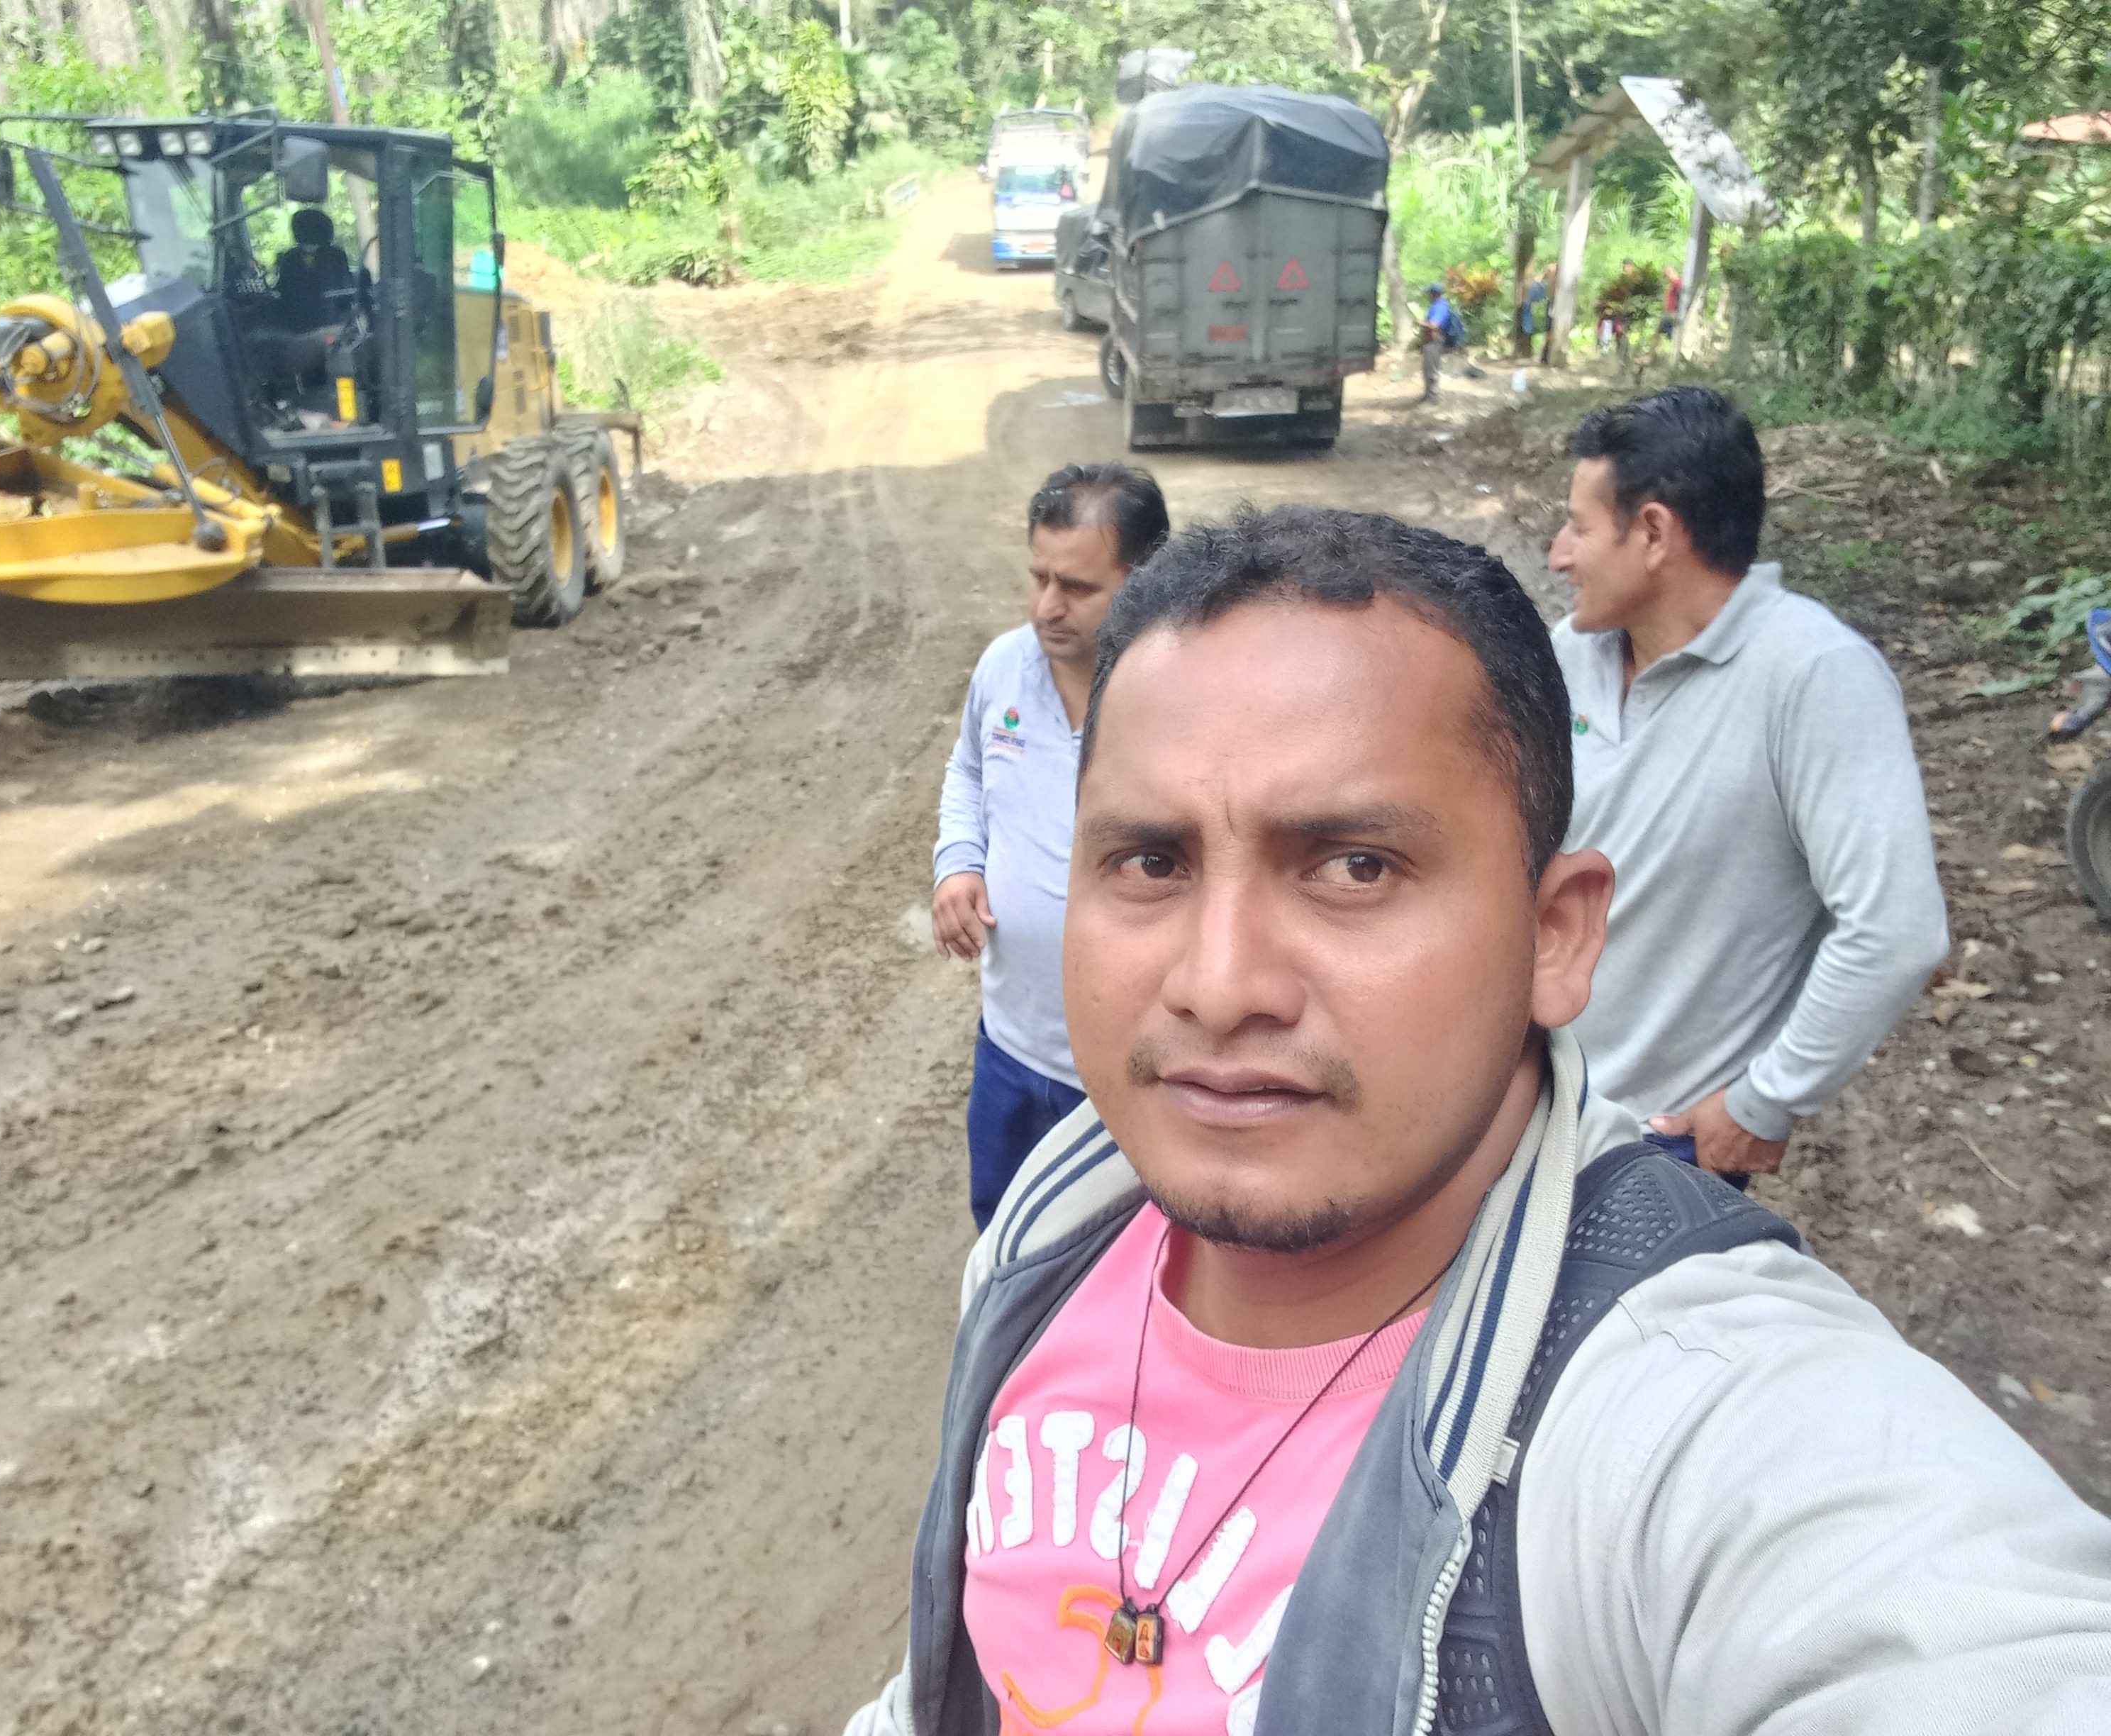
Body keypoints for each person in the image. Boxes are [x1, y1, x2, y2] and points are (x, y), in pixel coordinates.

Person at [848, 504, 2111, 1736]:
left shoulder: (1686, 1425)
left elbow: (1976, 1645)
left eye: (1354, 866)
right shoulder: (1054, 1231)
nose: (1219, 985)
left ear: (1554, 936)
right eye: (1150, 862)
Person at [1549, 386, 1949, 1181]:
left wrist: (1763, 1102)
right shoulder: (1571, 653)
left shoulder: (1813, 676)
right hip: (1514, 1109)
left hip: (1648, 1150)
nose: (1560, 555)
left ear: (1654, 533)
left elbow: (1896, 931)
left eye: (1580, 528)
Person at [933, 464, 1169, 1229]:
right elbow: (968, 769)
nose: (1046, 607)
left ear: (1144, 578)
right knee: (1004, 1234)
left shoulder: (1182, 700)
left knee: (1119, 1258)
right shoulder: (1003, 668)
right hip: (1009, 1047)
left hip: (1131, 1073)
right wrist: (958, 863)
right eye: (1039, 577)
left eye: (1076, 586)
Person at [272, 208, 355, 334]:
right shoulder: (290, 257)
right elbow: (282, 289)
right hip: (300, 321)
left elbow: (342, 289)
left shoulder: (335, 256)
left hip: (326, 318)